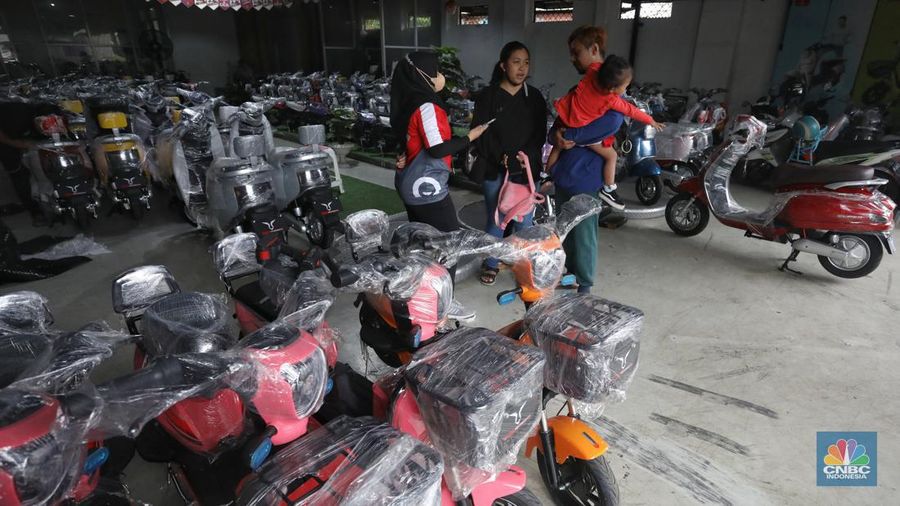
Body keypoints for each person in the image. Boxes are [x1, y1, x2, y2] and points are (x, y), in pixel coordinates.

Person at [390, 51, 489, 319]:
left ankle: (421, 301)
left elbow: (412, 141)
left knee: (423, 244)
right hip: (426, 186)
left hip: (413, 182)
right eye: (435, 71)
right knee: (449, 244)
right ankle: (443, 306)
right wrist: (471, 136)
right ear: (421, 74)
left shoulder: (408, 100)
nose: (440, 77)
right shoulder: (426, 105)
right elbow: (437, 149)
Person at [550, 25, 627, 294]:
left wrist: (570, 133)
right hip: (565, 174)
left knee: (584, 235)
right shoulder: (579, 89)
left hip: (587, 177)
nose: (572, 58)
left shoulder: (612, 92)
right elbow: (557, 124)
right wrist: (557, 136)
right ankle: (569, 274)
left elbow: (612, 123)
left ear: (594, 49)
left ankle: (584, 285)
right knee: (565, 232)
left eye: (576, 52)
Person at [470, 41, 547, 285]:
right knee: (497, 217)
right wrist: (501, 156)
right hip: (495, 168)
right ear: (503, 65)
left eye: (526, 62)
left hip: (526, 170)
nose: (522, 68)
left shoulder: (534, 97)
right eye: (516, 62)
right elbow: (480, 132)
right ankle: (492, 262)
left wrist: (528, 158)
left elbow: (539, 134)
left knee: (524, 221)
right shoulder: (488, 96)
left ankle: (523, 266)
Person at [547, 54, 664, 210]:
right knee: (612, 155)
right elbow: (631, 110)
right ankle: (609, 189)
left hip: (567, 122)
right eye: (625, 85)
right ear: (612, 89)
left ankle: (545, 174)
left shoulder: (591, 74)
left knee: (558, 145)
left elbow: (595, 65)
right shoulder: (611, 102)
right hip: (580, 173)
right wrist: (650, 120)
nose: (626, 89)